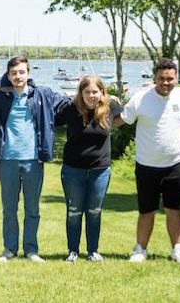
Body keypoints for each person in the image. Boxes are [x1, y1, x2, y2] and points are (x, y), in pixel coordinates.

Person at [117, 58, 180, 264]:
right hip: (146, 165)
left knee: (174, 209)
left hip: (176, 165)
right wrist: (97, 125)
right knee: (146, 210)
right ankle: (140, 250)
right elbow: (121, 119)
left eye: (170, 79)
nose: (166, 83)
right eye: (162, 78)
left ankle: (178, 251)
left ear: (176, 78)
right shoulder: (140, 98)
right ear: (154, 78)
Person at [0, 56, 67, 263]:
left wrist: (107, 99)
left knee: (32, 209)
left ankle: (31, 250)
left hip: (33, 160)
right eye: (13, 73)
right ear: (8, 75)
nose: (18, 76)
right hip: (8, 160)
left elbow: (68, 104)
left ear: (28, 73)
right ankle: (9, 249)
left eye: (21, 72)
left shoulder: (42, 94)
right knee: (9, 210)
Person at [56, 75, 123, 263]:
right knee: (74, 211)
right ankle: (73, 251)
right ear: (81, 93)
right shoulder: (70, 109)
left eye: (95, 92)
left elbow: (129, 115)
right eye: (87, 92)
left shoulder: (111, 107)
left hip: (100, 171)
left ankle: (93, 251)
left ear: (102, 92)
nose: (91, 96)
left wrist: (113, 99)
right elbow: (49, 117)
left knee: (94, 211)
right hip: (73, 170)